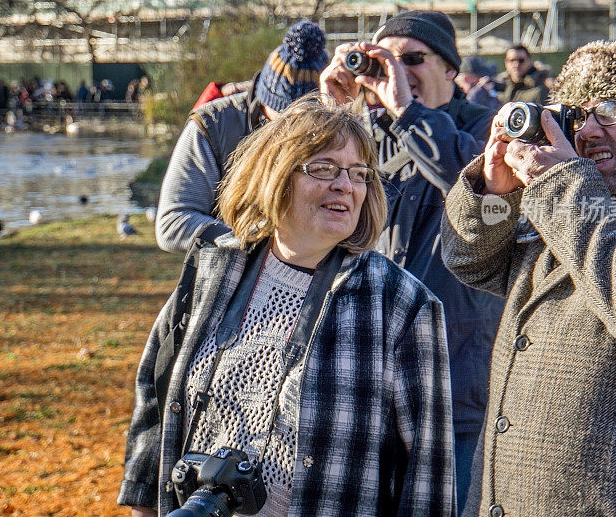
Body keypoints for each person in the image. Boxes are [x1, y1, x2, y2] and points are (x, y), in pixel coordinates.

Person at [118, 101, 456, 517]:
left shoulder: (402, 305)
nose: (345, 186)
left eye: (358, 174)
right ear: (275, 177)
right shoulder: (210, 269)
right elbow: (155, 405)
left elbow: (428, 475)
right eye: (324, 168)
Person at [440, 40, 616, 515]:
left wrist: (561, 186)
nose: (587, 131)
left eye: (608, 108)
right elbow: (469, 259)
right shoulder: (573, 205)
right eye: (578, 114)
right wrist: (493, 188)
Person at [319, 9, 504, 513]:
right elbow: (298, 210)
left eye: (414, 59)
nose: (398, 72)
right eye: (384, 61)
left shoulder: (490, 131)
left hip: (457, 386)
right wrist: (329, 112)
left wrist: (408, 114)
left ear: (450, 70)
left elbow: (475, 184)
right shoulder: (359, 138)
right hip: (367, 383)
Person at [155, 20, 329, 253]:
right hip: (230, 277)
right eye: (284, 120)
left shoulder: (340, 132)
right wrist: (260, 242)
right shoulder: (213, 125)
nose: (294, 132)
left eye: (307, 123)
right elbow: (172, 223)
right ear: (265, 99)